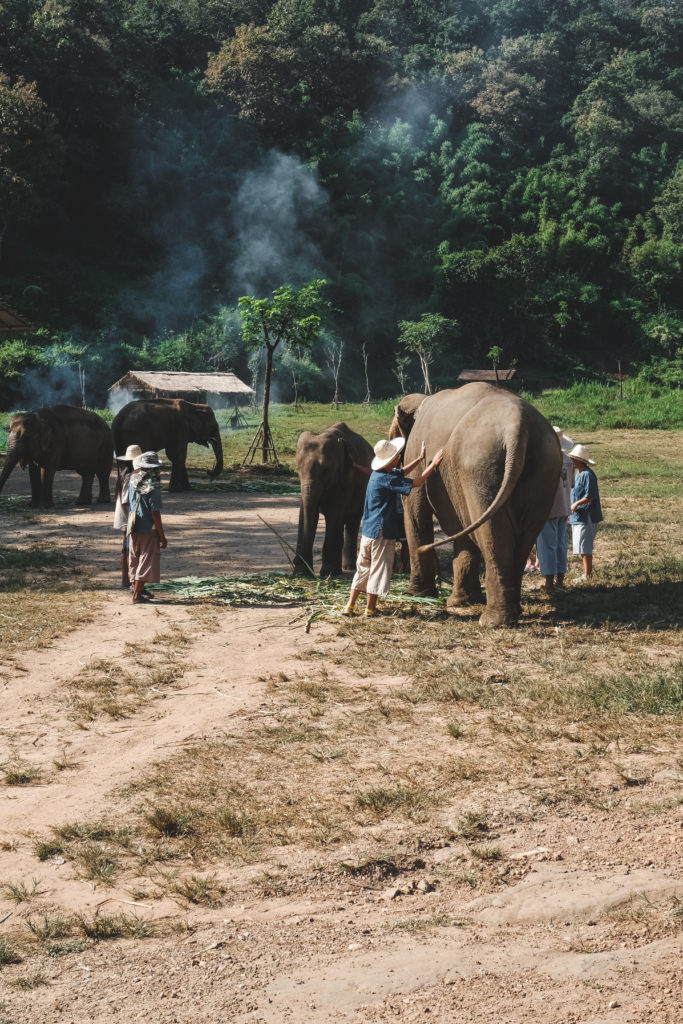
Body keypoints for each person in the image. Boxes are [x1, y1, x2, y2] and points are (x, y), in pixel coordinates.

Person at [343, 437, 444, 616]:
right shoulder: (386, 479)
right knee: (377, 569)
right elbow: (417, 482)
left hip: (367, 531)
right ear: (393, 460)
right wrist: (433, 464)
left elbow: (402, 472)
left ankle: (349, 606)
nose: (399, 458)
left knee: (363, 568)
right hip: (381, 532)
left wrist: (420, 459)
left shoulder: (378, 475)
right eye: (397, 456)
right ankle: (370, 609)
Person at [536, 427, 574, 593]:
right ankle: (560, 581)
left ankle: (549, 584)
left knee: (547, 546)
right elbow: (571, 484)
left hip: (548, 508)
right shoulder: (569, 461)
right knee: (561, 544)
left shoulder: (544, 460)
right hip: (564, 506)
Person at [127, 450, 168, 604]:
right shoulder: (153, 485)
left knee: (135, 558)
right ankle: (137, 595)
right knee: (147, 560)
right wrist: (162, 536)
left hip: (133, 524)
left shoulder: (132, 479)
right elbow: (155, 513)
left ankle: (134, 588)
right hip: (148, 528)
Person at [568, 443, 602, 582]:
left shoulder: (588, 475)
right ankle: (586, 573)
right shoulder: (578, 474)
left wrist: (576, 504)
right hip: (578, 515)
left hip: (587, 515)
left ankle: (587, 575)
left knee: (584, 546)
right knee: (581, 545)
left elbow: (590, 496)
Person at [113, 444, 142, 588]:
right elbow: (128, 500)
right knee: (128, 548)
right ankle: (127, 580)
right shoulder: (130, 477)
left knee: (126, 547)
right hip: (127, 517)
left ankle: (127, 580)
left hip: (125, 516)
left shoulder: (124, 474)